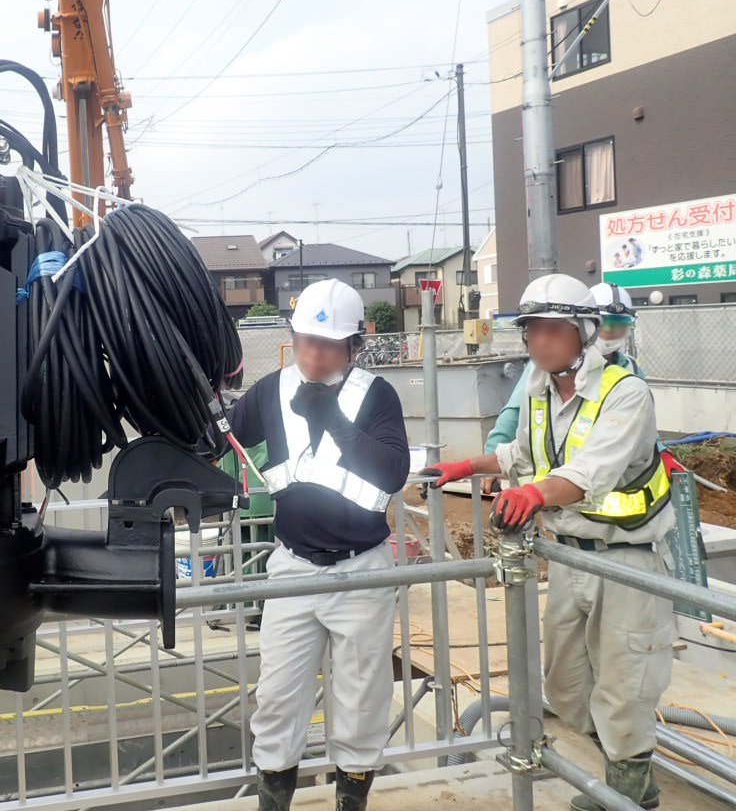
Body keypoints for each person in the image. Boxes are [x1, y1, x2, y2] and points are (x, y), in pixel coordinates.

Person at [423, 274, 673, 810]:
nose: (539, 341)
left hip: (625, 560)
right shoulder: (539, 390)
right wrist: (469, 464)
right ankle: (620, 765)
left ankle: (631, 792)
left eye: (553, 329)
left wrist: (535, 495)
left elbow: (590, 471)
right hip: (568, 560)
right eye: (532, 329)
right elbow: (524, 453)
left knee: (624, 681)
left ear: (582, 332)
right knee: (566, 683)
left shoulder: (624, 392)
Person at [228, 279, 410, 811]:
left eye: (329, 345)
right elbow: (223, 438)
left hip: (360, 572)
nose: (315, 354)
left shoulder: (376, 395)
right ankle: (273, 798)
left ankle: (350, 800)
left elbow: (392, 470)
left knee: (360, 699)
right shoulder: (271, 390)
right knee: (279, 695)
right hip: (293, 566)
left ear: (354, 347)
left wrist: (332, 419)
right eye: (307, 340)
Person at [481, 280, 645, 489]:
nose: (612, 332)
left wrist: (661, 453)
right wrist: (491, 458)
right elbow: (514, 414)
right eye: (607, 324)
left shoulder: (630, 371)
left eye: (620, 324)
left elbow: (641, 423)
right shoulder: (545, 369)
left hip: (614, 487)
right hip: (562, 489)